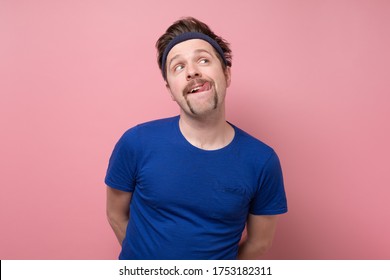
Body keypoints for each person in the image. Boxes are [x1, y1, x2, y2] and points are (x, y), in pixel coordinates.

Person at [105, 17, 287, 260]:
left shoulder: (262, 161)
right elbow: (116, 214)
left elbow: (259, 243)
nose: (192, 71)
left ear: (227, 74)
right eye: (178, 67)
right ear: (170, 89)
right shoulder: (136, 143)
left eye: (203, 60)